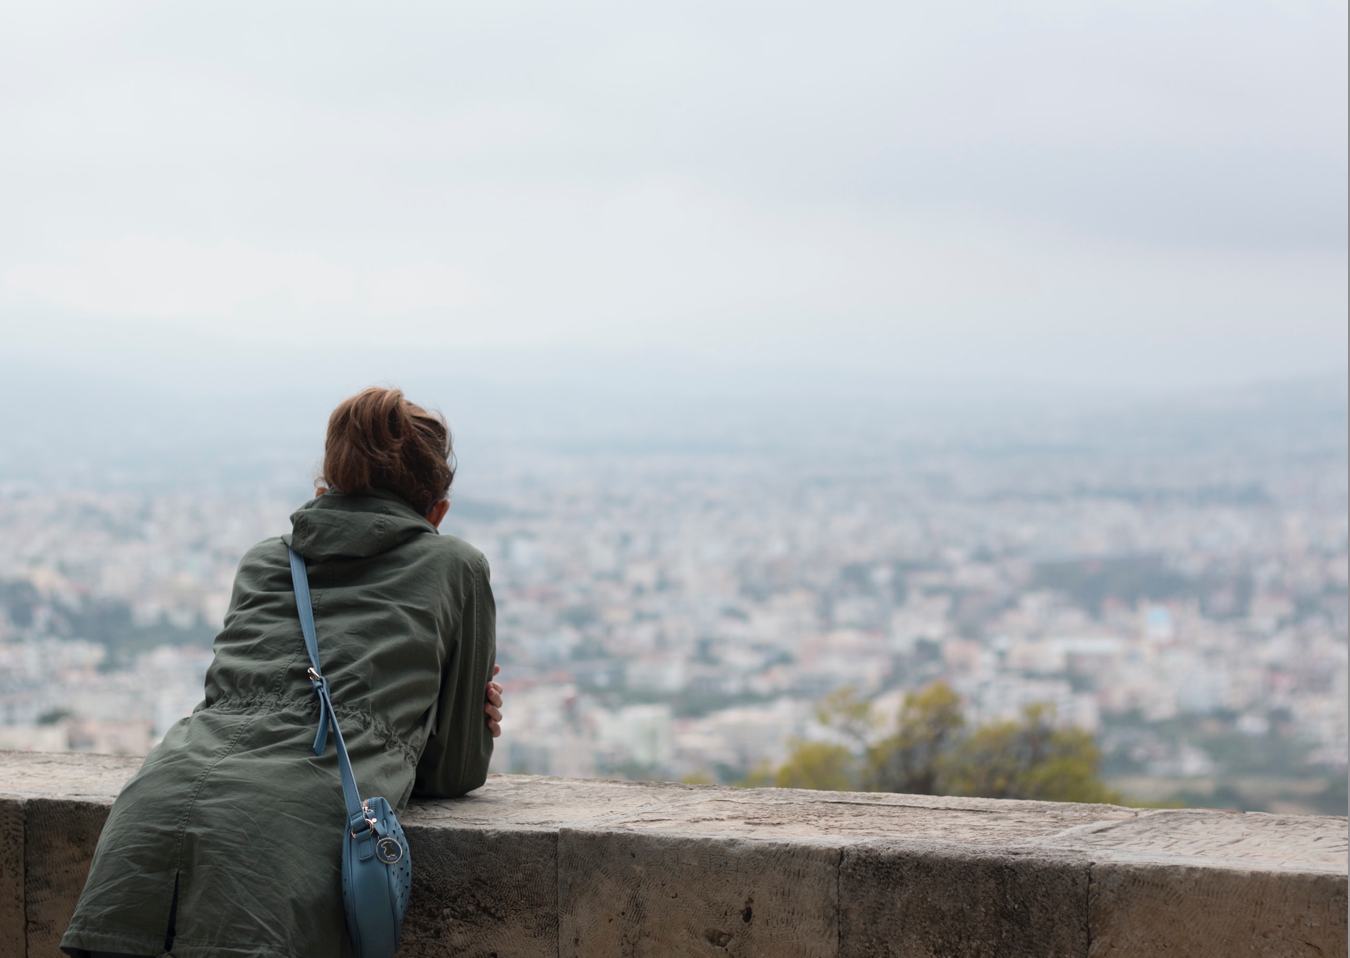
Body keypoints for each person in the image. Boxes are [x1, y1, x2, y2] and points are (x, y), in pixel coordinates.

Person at [61, 387, 503, 958]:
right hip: (278, 850)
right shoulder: (457, 567)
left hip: (151, 813)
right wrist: (451, 717)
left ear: (323, 490)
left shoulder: (264, 559)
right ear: (437, 512)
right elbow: (455, 771)